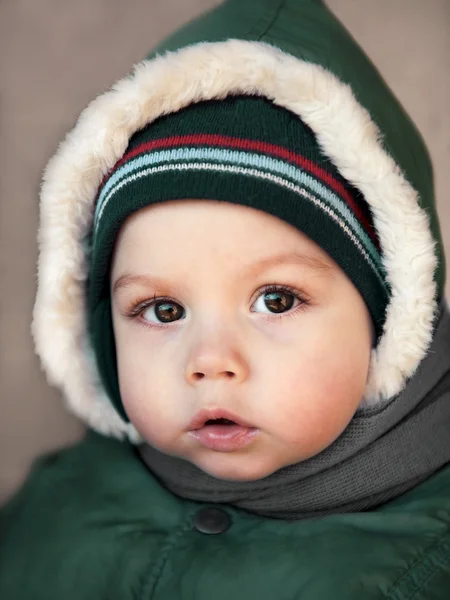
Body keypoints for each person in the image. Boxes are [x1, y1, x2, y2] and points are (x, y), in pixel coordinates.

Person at [1, 0, 449, 598]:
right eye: (162, 310)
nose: (210, 359)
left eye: (277, 300)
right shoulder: (56, 503)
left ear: (390, 316)